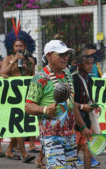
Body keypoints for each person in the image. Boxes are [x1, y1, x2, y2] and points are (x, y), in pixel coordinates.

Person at [25, 39, 92, 169]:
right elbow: (28, 106)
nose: (66, 58)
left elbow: (70, 104)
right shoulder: (39, 78)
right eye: (61, 55)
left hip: (70, 134)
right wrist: (44, 109)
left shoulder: (67, 74)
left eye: (67, 54)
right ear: (49, 55)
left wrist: (83, 127)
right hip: (51, 135)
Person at [0, 26, 36, 163]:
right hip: (13, 97)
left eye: (21, 45)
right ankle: (24, 154)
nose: (19, 48)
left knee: (23, 124)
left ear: (25, 46)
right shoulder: (8, 58)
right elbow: (2, 73)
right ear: (12, 47)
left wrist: (27, 70)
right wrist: (15, 60)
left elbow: (33, 78)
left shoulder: (31, 61)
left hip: (26, 96)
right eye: (16, 46)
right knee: (17, 124)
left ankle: (9, 150)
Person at [72, 53, 102, 169]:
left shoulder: (89, 80)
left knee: (88, 147)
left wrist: (94, 105)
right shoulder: (73, 80)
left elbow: (88, 97)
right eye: (87, 63)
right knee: (74, 150)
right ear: (80, 65)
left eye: (92, 63)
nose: (90, 66)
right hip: (75, 119)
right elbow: (69, 102)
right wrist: (82, 107)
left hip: (87, 118)